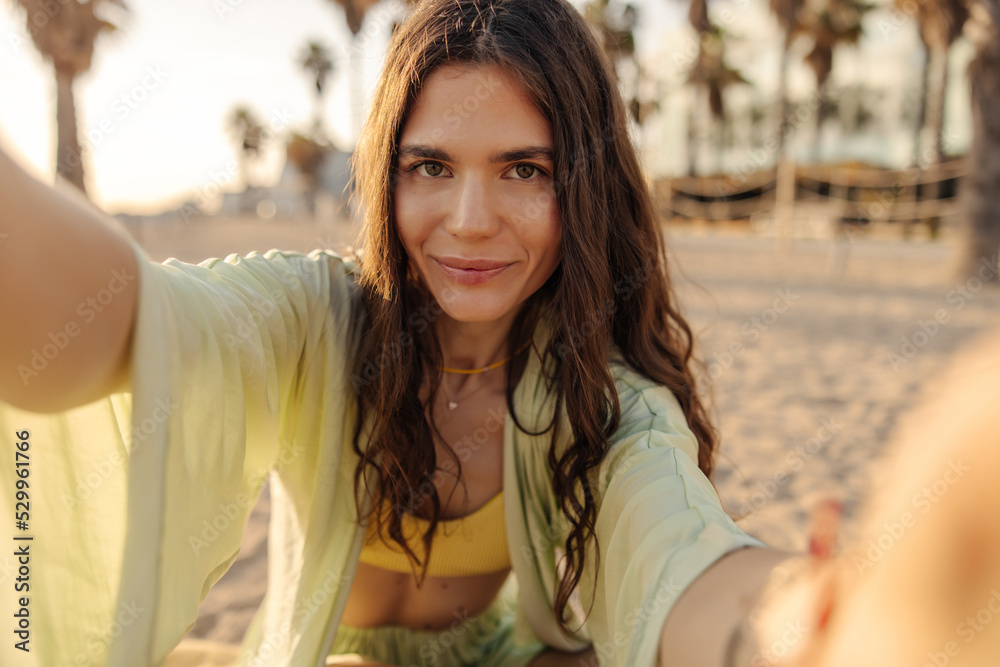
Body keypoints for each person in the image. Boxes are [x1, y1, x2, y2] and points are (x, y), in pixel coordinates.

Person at [4, 1, 997, 666]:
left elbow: (686, 558)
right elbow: (122, 323)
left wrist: (808, 624)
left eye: (525, 169)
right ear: (385, 175)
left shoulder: (601, 400)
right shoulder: (312, 322)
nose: (470, 219)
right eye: (429, 166)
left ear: (583, 186)